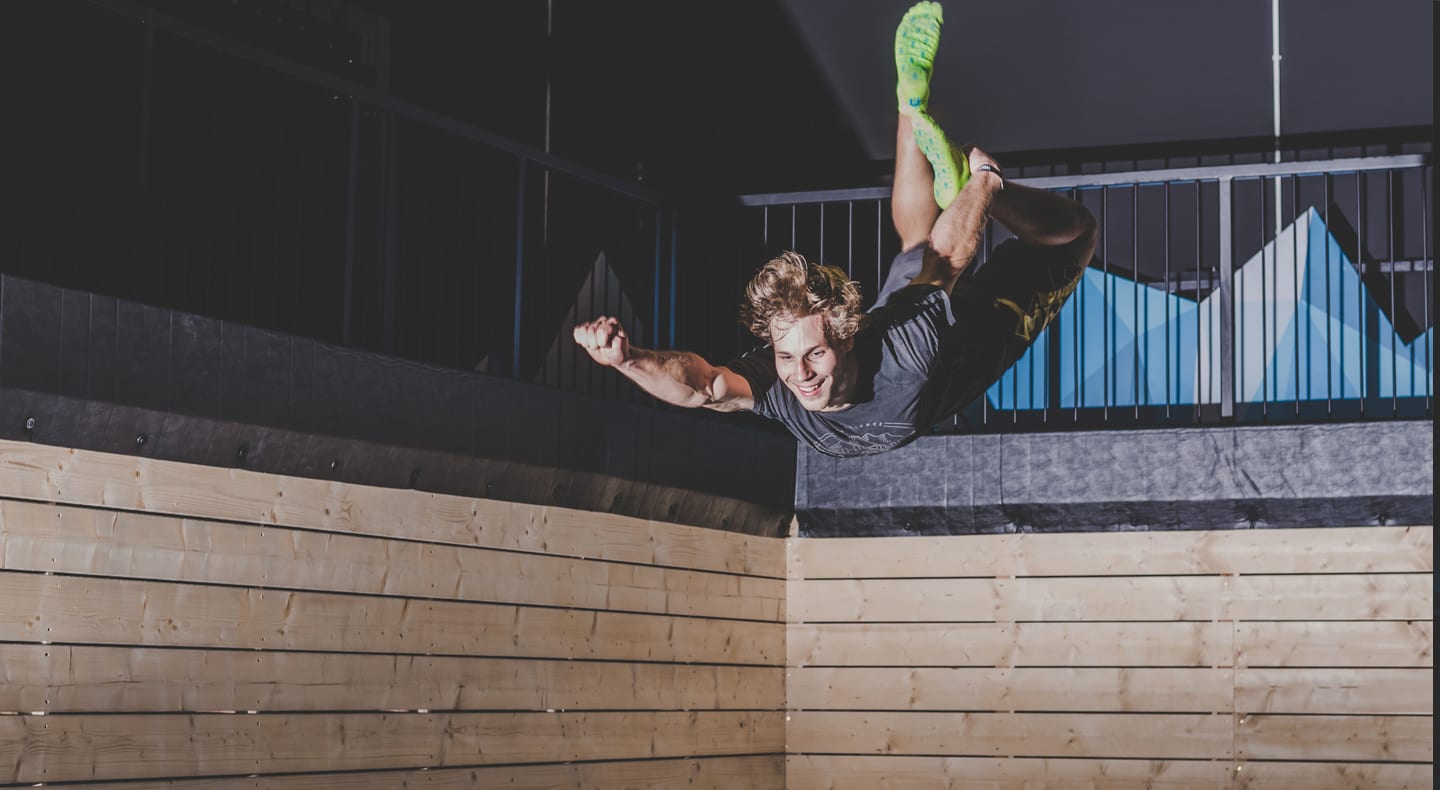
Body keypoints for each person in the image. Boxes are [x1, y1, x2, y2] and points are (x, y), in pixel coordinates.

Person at [573, 1, 1096, 457]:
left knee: (1077, 235)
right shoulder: (780, 386)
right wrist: (628, 360)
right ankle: (909, 105)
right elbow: (704, 387)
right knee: (917, 245)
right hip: (905, 307)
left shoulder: (906, 352)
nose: (800, 374)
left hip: (988, 324)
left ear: (847, 337)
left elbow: (948, 258)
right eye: (786, 357)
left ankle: (982, 178)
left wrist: (981, 184)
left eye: (814, 354)